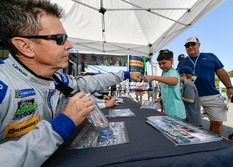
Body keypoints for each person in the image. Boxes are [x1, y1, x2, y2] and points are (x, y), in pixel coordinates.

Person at [0, 0, 141, 166]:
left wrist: (124, 74)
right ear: (25, 46)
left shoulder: (56, 79)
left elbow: (88, 83)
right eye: (60, 39)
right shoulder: (4, 87)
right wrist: (62, 125)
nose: (69, 45)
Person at [177, 36, 233, 135]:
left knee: (217, 122)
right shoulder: (182, 62)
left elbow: (221, 72)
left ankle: (216, 143)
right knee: (189, 123)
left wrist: (229, 87)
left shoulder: (210, 56)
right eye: (187, 45)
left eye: (193, 44)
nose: (190, 47)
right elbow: (177, 78)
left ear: (199, 45)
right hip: (189, 96)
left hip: (210, 94)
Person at [143, 49, 186, 120]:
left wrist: (154, 77)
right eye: (159, 64)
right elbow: (167, 90)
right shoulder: (165, 73)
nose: (161, 66)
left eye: (163, 63)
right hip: (169, 110)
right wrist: (159, 98)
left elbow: (174, 81)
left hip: (176, 111)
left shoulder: (173, 71)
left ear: (171, 61)